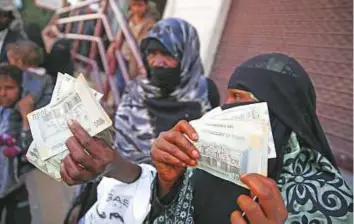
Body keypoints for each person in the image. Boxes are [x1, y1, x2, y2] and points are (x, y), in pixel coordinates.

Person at [148, 53, 353, 223]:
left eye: (238, 97)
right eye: (227, 96)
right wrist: (167, 184)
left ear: (276, 110)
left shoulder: (326, 197)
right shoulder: (203, 161)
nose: (224, 107)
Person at [61, 18, 212, 222]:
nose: (158, 62)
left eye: (167, 54)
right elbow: (119, 145)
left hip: (168, 198)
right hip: (119, 182)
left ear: (186, 55)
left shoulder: (204, 94)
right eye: (152, 54)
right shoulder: (136, 90)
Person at [0, 64, 33, 224]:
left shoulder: (25, 113)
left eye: (9, 88)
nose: (2, 93)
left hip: (15, 186)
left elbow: (29, 154)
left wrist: (26, 119)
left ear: (20, 88)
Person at [107, 0, 156, 95]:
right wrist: (113, 45)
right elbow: (121, 33)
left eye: (140, 5)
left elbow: (145, 44)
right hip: (123, 54)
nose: (137, 9)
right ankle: (114, 103)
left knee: (128, 84)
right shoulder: (129, 16)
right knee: (119, 82)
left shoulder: (150, 23)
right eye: (134, 5)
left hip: (135, 60)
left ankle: (119, 104)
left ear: (146, 6)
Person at [6, 40, 53, 109]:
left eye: (10, 61)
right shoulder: (35, 76)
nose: (8, 64)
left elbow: (29, 100)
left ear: (19, 62)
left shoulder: (34, 78)